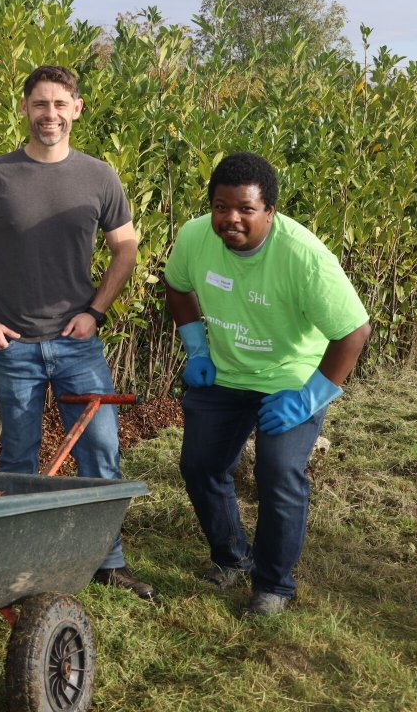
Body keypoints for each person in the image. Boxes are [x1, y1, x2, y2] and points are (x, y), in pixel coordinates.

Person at [0, 65, 154, 600]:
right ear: (25, 108)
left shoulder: (99, 176)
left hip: (77, 344)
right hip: (12, 344)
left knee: (101, 450)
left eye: (60, 105)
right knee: (18, 456)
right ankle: (14, 562)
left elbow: (126, 248)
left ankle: (107, 560)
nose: (50, 115)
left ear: (77, 109)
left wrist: (97, 311)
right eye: (40, 104)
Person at [163, 151, 370, 616]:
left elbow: (354, 332)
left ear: (269, 212)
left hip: (291, 379)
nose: (230, 219)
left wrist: (311, 397)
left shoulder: (304, 256)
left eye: (245, 209)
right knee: (200, 465)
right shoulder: (195, 237)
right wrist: (196, 346)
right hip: (225, 370)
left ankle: (273, 585)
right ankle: (233, 558)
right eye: (220, 207)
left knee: (278, 472)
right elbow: (176, 285)